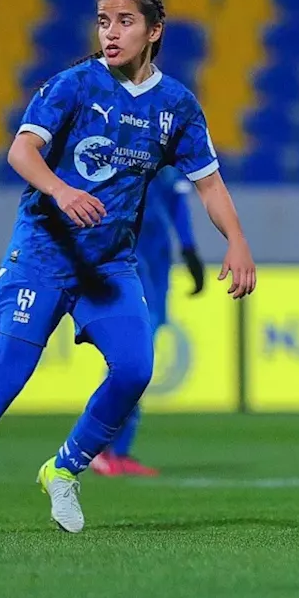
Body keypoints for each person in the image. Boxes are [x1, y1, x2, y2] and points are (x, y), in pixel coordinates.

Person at [0, 0, 256, 535]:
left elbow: (210, 185)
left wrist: (236, 241)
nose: (111, 32)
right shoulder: (72, 85)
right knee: (6, 378)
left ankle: (64, 468)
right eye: (103, 21)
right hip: (43, 254)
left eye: (125, 21)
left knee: (136, 368)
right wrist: (61, 190)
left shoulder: (177, 105)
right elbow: (21, 150)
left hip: (110, 265)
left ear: (154, 31)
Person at [90, 164, 205, 478]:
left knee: (140, 355)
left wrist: (189, 248)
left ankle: (118, 450)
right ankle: (98, 446)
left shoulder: (169, 156)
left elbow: (178, 201)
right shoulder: (132, 144)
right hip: (129, 257)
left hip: (157, 261)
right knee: (130, 355)